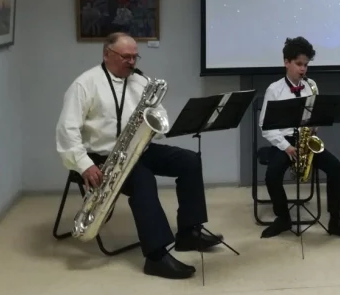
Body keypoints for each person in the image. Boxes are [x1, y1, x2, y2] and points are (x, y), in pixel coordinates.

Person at [56, 32, 223, 280]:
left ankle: (189, 233)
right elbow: (67, 131)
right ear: (107, 54)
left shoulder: (141, 81)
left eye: (135, 57)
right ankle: (155, 257)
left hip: (138, 148)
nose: (132, 62)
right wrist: (84, 165)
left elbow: (159, 114)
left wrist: (155, 125)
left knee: (189, 161)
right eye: (126, 57)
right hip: (102, 157)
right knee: (143, 181)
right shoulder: (84, 84)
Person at [258, 36, 340, 241]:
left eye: (306, 65)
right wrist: (286, 147)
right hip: (285, 142)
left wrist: (315, 125)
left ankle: (335, 221)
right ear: (286, 62)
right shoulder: (274, 90)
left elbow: (316, 116)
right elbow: (265, 127)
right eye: (298, 64)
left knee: (335, 167)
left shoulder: (311, 85)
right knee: (272, 175)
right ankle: (283, 218)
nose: (303, 69)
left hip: (305, 141)